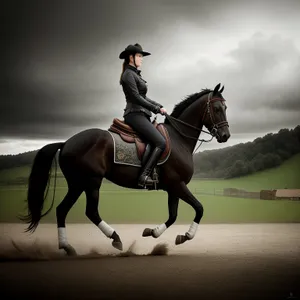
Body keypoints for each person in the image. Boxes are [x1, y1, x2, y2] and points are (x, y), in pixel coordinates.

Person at [119, 43, 167, 187]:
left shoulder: (134, 74)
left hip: (142, 114)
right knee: (161, 142)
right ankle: (144, 176)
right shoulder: (128, 75)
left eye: (141, 56)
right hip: (134, 114)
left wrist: (159, 106)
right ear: (131, 58)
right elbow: (135, 98)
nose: (142, 59)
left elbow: (143, 97)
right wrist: (155, 109)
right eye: (139, 56)